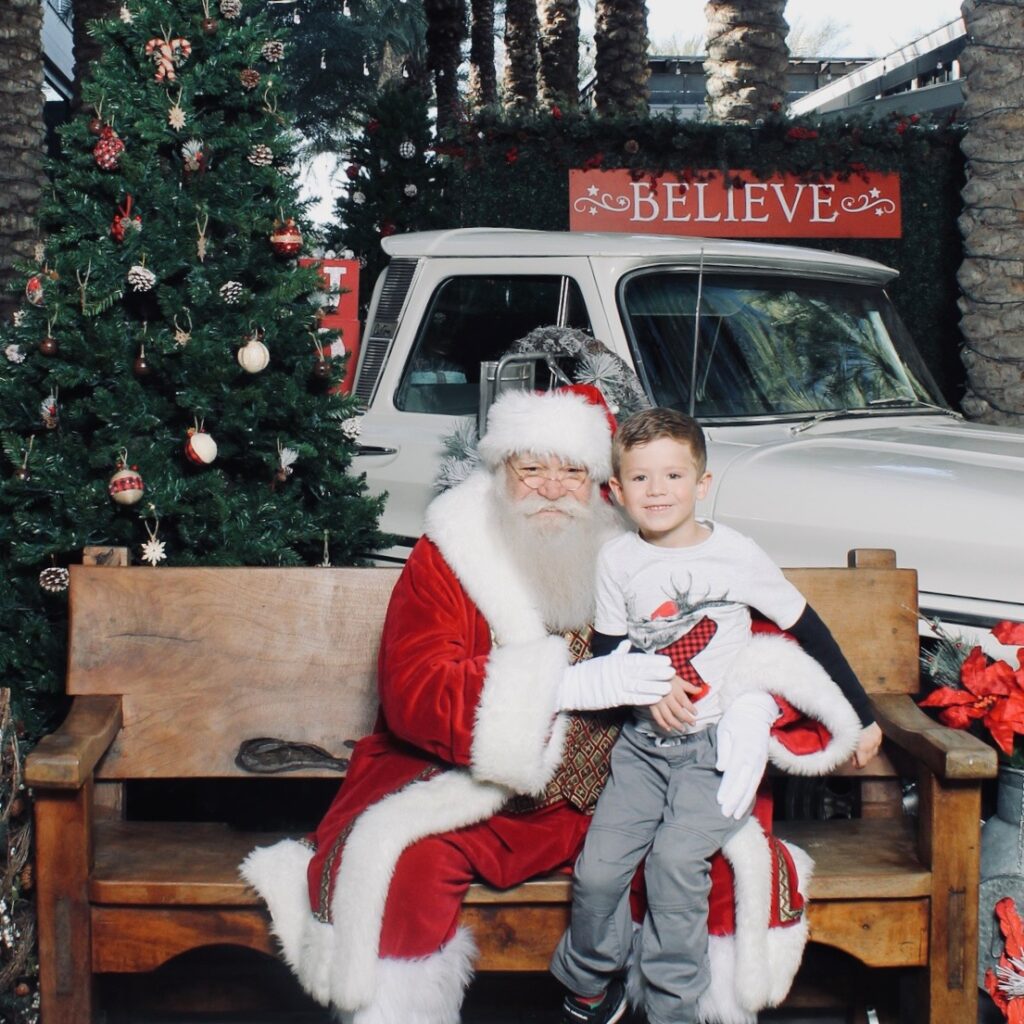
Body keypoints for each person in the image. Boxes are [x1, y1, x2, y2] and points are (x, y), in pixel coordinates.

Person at [242, 386, 865, 1024]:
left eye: (572, 470)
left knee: (721, 873)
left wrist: (748, 708)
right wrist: (559, 687)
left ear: (603, 484)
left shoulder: (648, 538)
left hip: (635, 785)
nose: (551, 487)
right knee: (399, 875)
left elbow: (752, 633)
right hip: (485, 796)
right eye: (531, 467)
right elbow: (414, 684)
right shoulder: (451, 552)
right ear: (500, 469)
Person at [550, 407, 882, 1024]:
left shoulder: (738, 554)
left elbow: (807, 630)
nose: (658, 492)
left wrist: (861, 716)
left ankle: (673, 1007)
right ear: (617, 492)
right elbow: (606, 656)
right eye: (641, 479)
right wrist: (643, 691)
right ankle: (593, 979)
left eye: (673, 476)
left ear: (702, 485)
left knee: (675, 861)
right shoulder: (618, 561)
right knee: (597, 873)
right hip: (641, 749)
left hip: (714, 754)